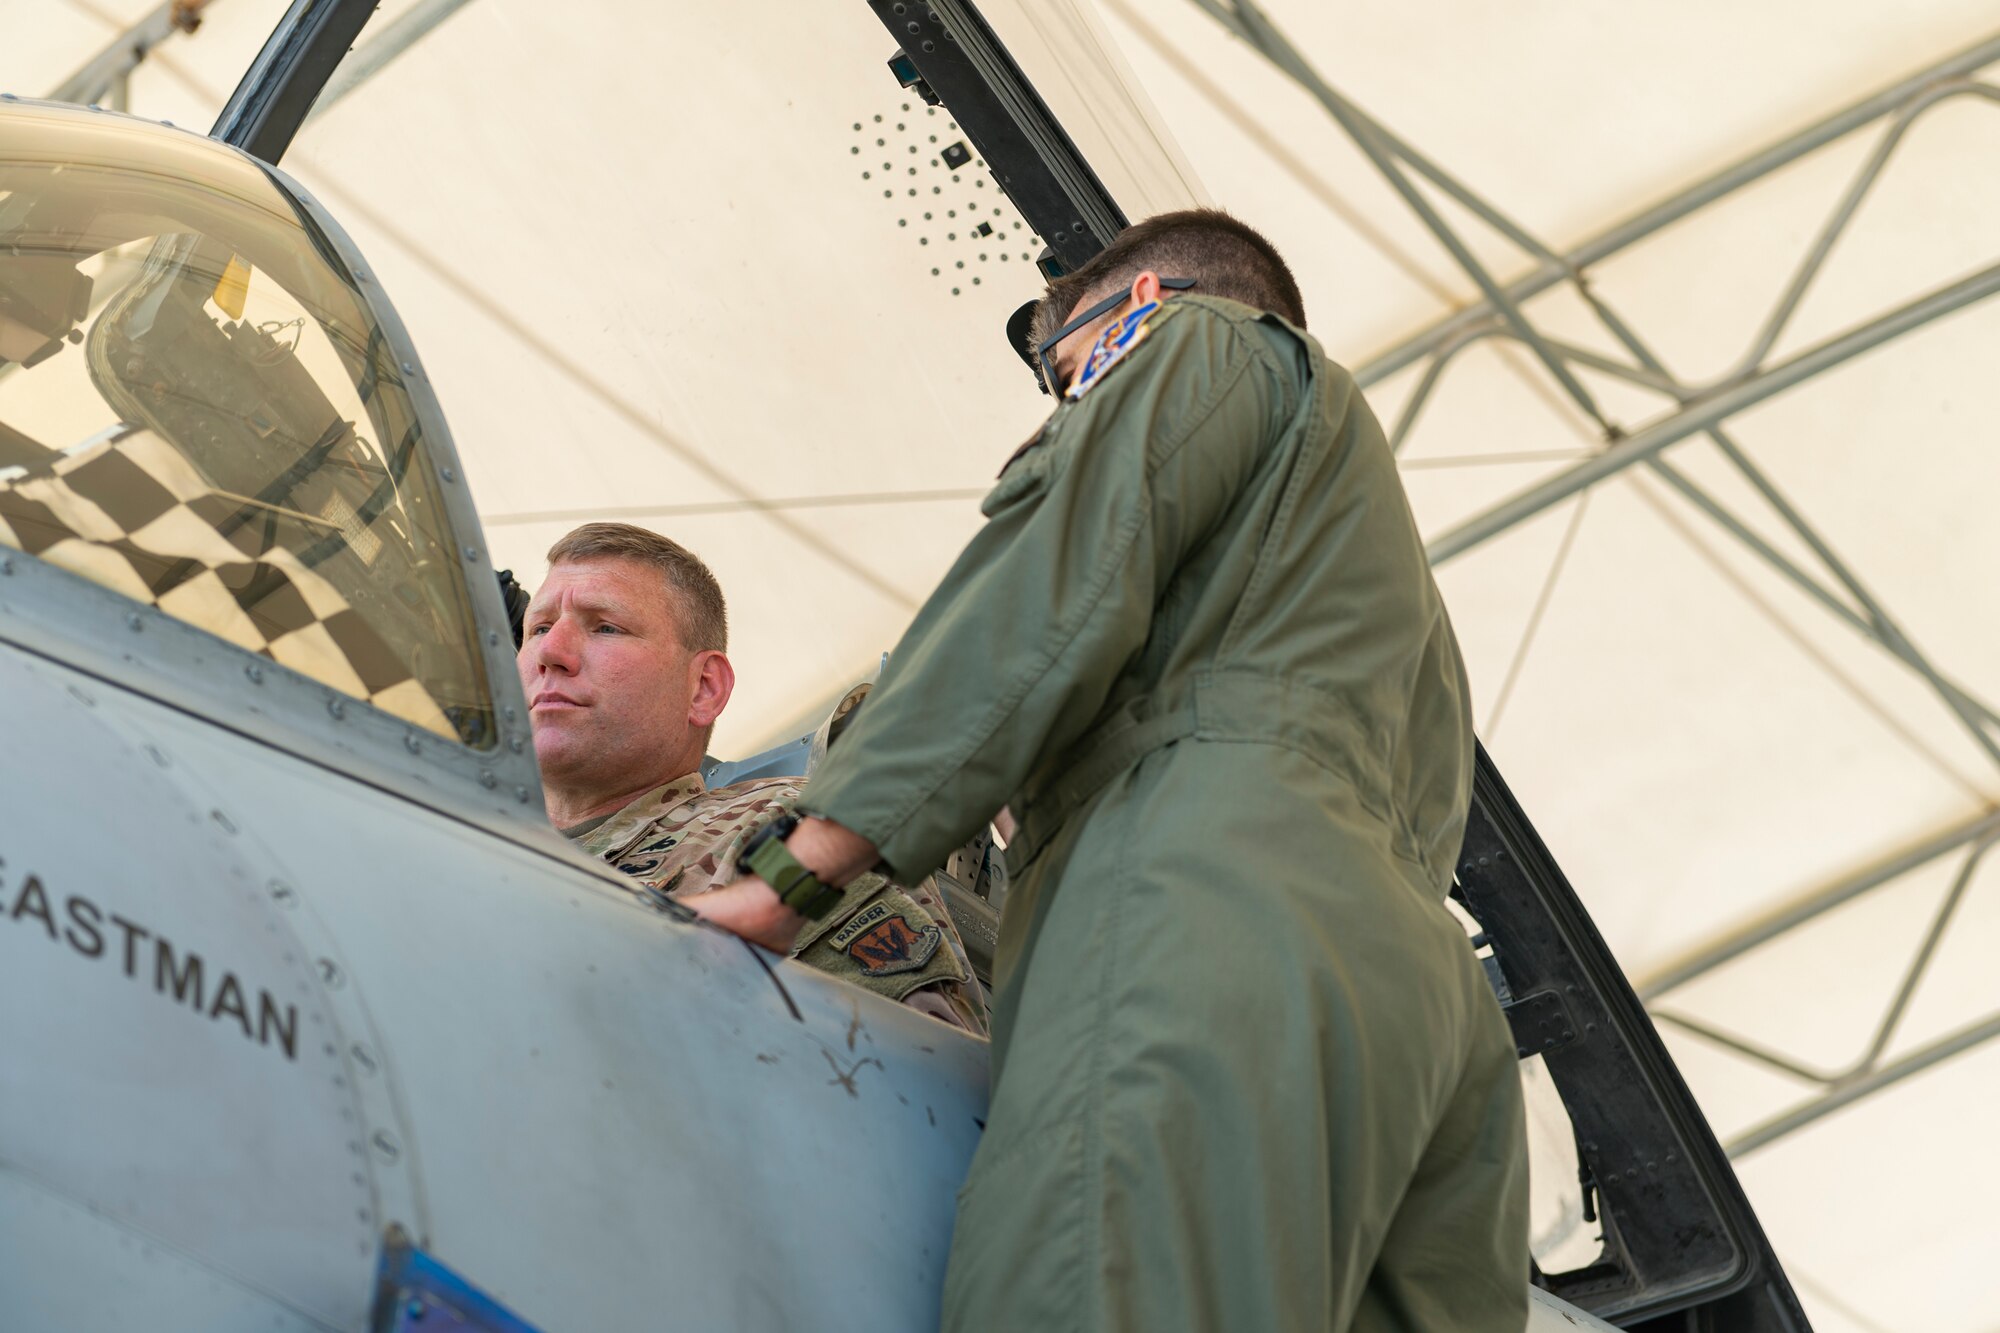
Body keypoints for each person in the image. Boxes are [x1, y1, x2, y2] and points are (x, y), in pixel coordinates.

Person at [689, 209, 1528, 1331]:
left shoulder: (1194, 340)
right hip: (1423, 1021)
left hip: (1205, 916)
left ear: (1132, 307)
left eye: (1063, 368)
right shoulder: (1382, 598)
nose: (1070, 398)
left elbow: (1046, 595)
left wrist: (791, 875)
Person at [517, 522, 984, 1033]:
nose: (550, 652)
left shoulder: (786, 835)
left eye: (605, 626)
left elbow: (914, 1069)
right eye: (537, 628)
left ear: (703, 688)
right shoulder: (464, 838)